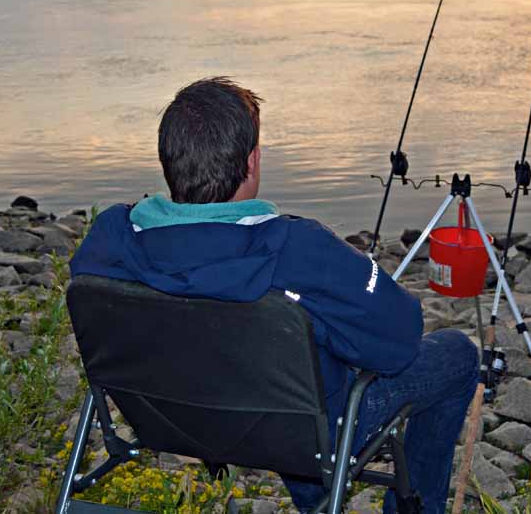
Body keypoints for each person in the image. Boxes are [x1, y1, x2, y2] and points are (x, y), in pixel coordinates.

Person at [71, 77, 479, 514]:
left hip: (170, 419)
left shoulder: (109, 240)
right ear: (252, 163)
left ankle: (319, 501)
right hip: (294, 430)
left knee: (287, 362)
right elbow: (399, 342)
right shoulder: (299, 249)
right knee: (456, 354)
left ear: (168, 162)